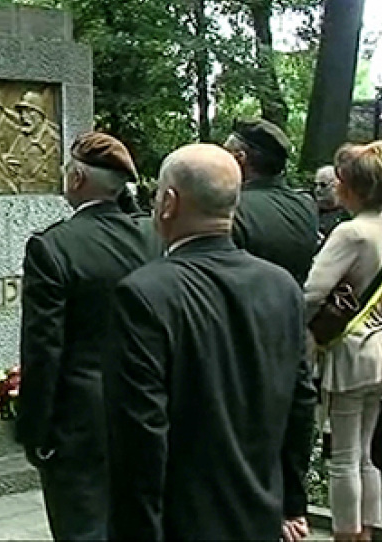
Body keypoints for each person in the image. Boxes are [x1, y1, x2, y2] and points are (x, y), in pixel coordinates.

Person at [106, 144, 315, 541]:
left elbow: (140, 435)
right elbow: (300, 401)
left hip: (182, 523)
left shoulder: (143, 294)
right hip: (260, 513)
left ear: (168, 202)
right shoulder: (282, 286)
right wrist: (291, 502)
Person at [17, 131, 160, 540]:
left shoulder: (54, 247)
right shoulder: (153, 238)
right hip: (150, 407)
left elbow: (44, 347)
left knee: (83, 528)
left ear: (77, 179)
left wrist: (35, 430)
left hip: (82, 421)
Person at [224, 118, 318, 531]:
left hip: (241, 342)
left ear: (241, 160)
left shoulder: (236, 208)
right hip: (292, 335)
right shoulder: (303, 205)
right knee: (293, 428)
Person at [304, 141, 382, 542]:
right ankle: (367, 532)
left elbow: (311, 293)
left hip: (350, 352)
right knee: (365, 455)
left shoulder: (350, 232)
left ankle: (346, 534)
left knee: (342, 458)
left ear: (350, 187)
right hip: (381, 348)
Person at [224, 118, 319, 285]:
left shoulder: (233, 209)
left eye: (225, 154)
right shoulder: (307, 206)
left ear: (240, 159)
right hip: (293, 306)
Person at [314, 164, 347, 243]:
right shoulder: (309, 210)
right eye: (315, 185)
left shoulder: (347, 215)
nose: (317, 190)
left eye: (323, 185)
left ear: (337, 186)